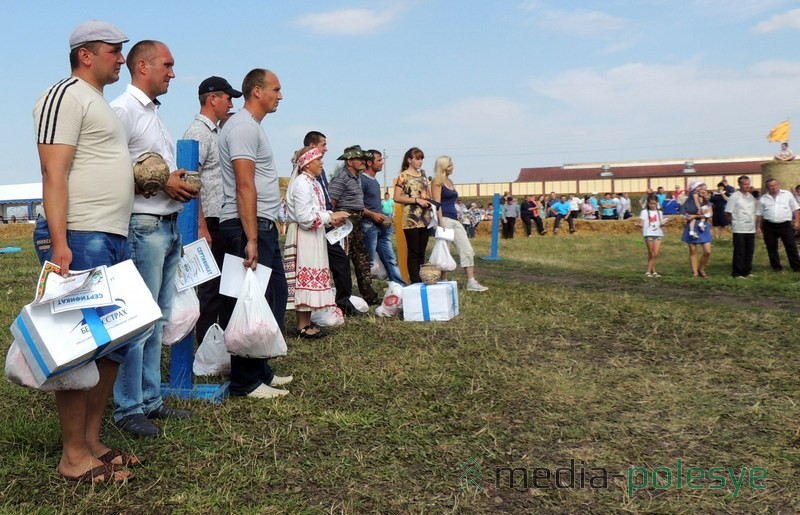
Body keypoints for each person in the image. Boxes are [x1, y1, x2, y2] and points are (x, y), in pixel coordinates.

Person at [32, 19, 138, 484]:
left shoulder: (100, 104)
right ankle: (73, 456)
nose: (121, 58)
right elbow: (53, 173)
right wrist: (60, 245)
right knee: (79, 346)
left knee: (113, 341)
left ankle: (93, 441)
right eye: (114, 50)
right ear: (85, 55)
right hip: (79, 234)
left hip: (112, 233)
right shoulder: (65, 94)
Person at [111, 40, 195, 437]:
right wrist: (166, 181)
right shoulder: (123, 111)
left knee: (157, 320)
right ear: (142, 66)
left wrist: (174, 184)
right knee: (139, 322)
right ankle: (128, 408)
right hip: (142, 226)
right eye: (168, 64)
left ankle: (150, 400)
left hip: (165, 225)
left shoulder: (152, 114)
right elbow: (108, 170)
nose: (173, 73)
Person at [218, 68, 293, 399]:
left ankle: (260, 369)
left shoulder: (251, 127)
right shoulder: (244, 127)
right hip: (246, 225)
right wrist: (250, 238)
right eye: (275, 89)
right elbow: (244, 184)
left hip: (261, 223)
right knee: (245, 300)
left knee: (273, 294)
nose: (280, 95)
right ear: (257, 91)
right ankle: (245, 381)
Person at [183, 76, 241, 345]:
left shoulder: (216, 133)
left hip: (220, 218)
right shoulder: (198, 133)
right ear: (212, 99)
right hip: (210, 221)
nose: (231, 103)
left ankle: (219, 342)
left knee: (224, 285)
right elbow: (190, 181)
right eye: (228, 97)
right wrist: (201, 225)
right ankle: (204, 344)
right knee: (210, 288)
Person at [284, 146, 349, 338]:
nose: (322, 163)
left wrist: (332, 218)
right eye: (318, 159)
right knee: (304, 277)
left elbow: (315, 214)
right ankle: (302, 326)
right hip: (304, 237)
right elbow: (305, 217)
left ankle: (305, 322)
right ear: (306, 163)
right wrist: (330, 216)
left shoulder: (313, 183)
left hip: (313, 235)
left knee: (309, 277)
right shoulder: (302, 184)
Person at [328, 145, 380, 305]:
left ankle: (369, 296)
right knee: (343, 263)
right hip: (344, 225)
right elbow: (331, 202)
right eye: (360, 159)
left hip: (355, 224)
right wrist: (334, 220)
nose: (364, 162)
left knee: (362, 260)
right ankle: (344, 299)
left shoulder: (356, 177)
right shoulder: (341, 178)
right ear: (350, 161)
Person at [430, 156, 489, 291]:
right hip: (444, 219)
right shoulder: (437, 182)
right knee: (444, 251)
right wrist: (440, 222)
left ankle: (471, 282)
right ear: (443, 167)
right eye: (450, 165)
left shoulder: (450, 181)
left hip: (455, 219)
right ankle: (443, 280)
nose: (453, 167)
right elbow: (436, 204)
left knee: (467, 249)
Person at [361, 149, 405, 285]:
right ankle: (368, 291)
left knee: (390, 258)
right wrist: (373, 215)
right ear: (369, 162)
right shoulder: (362, 181)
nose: (382, 163)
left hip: (381, 226)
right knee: (370, 263)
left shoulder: (375, 181)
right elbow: (356, 206)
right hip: (369, 227)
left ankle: (399, 286)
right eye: (379, 160)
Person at [394, 147, 432, 284]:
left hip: (425, 218)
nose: (420, 161)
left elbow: (427, 193)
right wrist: (416, 200)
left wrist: (427, 198)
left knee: (422, 252)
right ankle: (414, 281)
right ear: (409, 160)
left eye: (421, 158)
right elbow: (397, 197)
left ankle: (422, 279)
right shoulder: (403, 176)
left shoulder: (423, 175)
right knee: (414, 251)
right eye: (417, 158)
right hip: (411, 219)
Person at [756, 178, 800, 272]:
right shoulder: (763, 199)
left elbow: (795, 209)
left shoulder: (787, 195)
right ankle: (776, 267)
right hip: (769, 226)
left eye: (775, 185)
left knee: (791, 246)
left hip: (785, 225)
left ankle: (796, 266)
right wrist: (758, 227)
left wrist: (797, 221)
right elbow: (759, 214)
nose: (774, 187)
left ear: (778, 184)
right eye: (771, 186)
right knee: (771, 247)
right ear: (767, 188)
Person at [725, 175, 758, 278]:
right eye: (745, 184)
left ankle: (747, 271)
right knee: (740, 251)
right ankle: (737, 273)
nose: (747, 186)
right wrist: (733, 223)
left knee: (749, 251)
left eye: (748, 184)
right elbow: (728, 212)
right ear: (739, 185)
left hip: (750, 228)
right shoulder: (735, 196)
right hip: (739, 227)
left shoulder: (751, 197)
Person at [680, 182, 712, 277]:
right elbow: (684, 212)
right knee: (693, 250)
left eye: (704, 189)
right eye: (701, 189)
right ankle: (695, 272)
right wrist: (688, 216)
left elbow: (709, 214)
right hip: (692, 226)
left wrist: (695, 215)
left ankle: (701, 268)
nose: (703, 191)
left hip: (703, 226)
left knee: (707, 251)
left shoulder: (707, 202)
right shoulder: (690, 201)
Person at [636, 194, 670, 277]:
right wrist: (637, 224)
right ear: (648, 203)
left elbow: (661, 223)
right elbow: (642, 223)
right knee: (651, 253)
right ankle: (650, 271)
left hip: (658, 233)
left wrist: (664, 224)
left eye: (654, 204)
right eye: (651, 203)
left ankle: (652, 270)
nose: (652, 205)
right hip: (649, 234)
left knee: (655, 254)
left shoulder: (660, 212)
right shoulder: (644, 212)